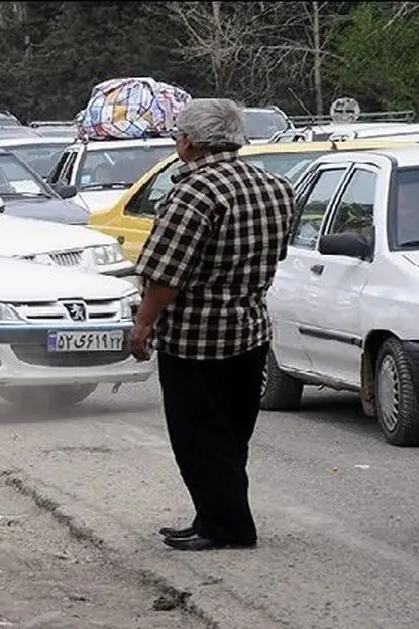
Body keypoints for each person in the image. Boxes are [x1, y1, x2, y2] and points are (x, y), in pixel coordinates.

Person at [130, 98, 294, 552]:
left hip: (196, 337)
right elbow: (274, 256)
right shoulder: (275, 186)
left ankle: (228, 528)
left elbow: (166, 276)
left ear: (188, 142)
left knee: (198, 437)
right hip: (251, 328)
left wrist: (143, 324)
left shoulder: (194, 192)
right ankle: (212, 517)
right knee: (231, 435)